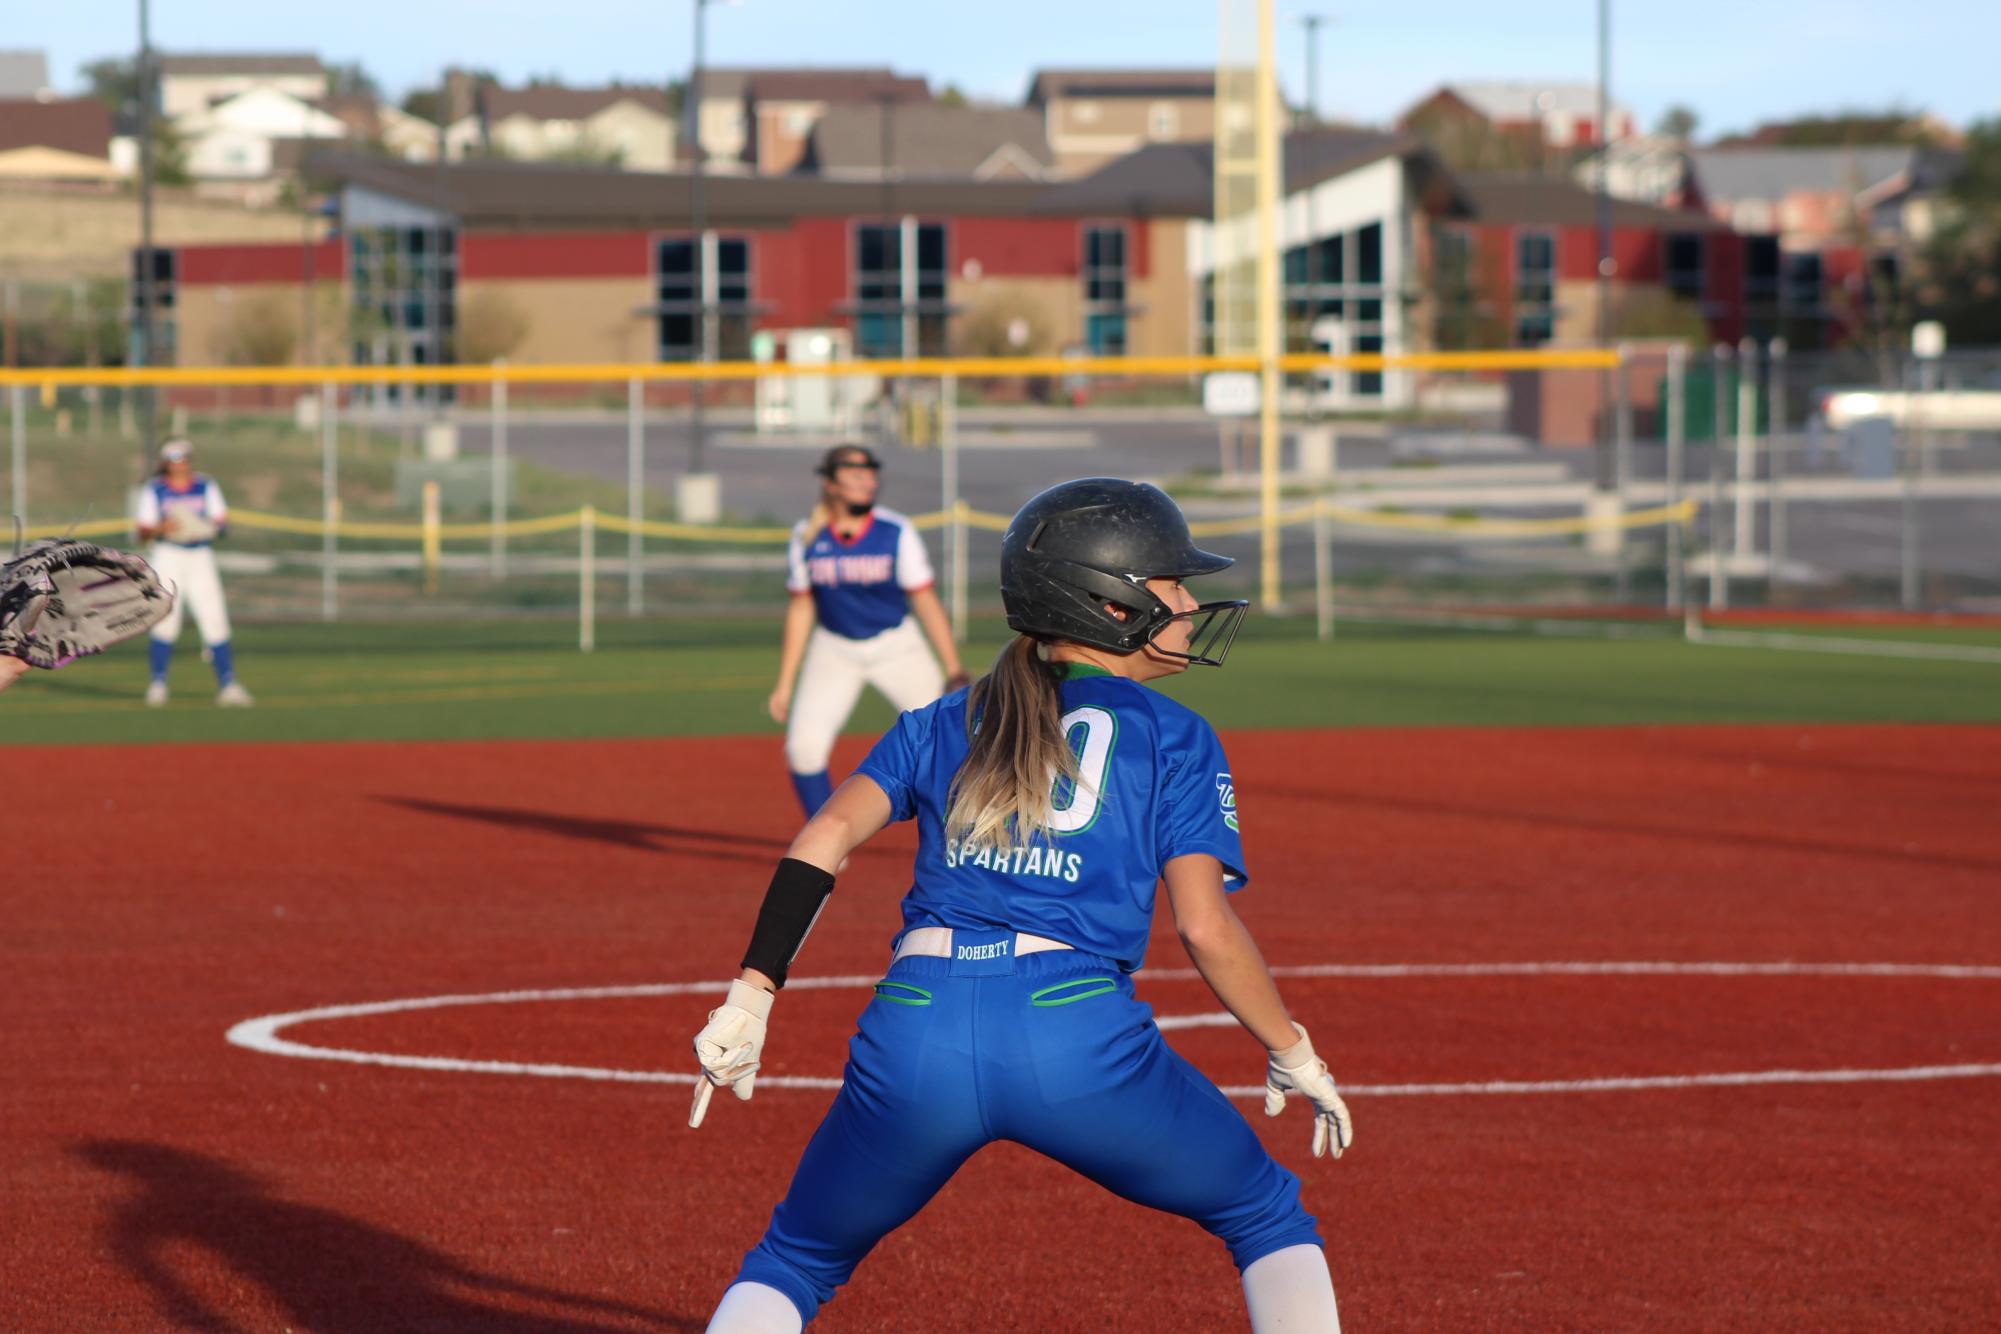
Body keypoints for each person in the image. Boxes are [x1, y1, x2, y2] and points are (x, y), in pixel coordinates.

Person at [692, 478, 1355, 1333]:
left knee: (794, 1259)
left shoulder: (943, 718)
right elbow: (1203, 926)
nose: (1190, 601)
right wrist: (1290, 1050)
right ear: (1110, 605)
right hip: (1072, 1030)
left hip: (914, 1025)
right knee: (1267, 1217)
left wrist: (751, 995)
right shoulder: (1174, 733)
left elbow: (821, 836)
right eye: (1171, 583)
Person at [771, 444, 966, 817]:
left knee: (947, 741)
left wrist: (953, 667)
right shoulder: (808, 536)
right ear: (831, 483)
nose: (868, 482)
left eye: (871, 474)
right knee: (803, 749)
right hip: (834, 649)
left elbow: (924, 599)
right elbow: (801, 608)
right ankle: (823, 844)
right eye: (855, 474)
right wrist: (785, 682)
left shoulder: (894, 530)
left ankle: (969, 834)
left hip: (898, 646)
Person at [135, 439, 252, 707]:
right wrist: (162, 528)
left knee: (214, 617)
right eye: (175, 459)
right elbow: (143, 531)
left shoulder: (204, 485)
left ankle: (228, 684)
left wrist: (201, 527)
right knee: (166, 619)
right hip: (168, 555)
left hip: (200, 554)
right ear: (166, 462)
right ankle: (158, 683)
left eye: (184, 458)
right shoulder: (156, 490)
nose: (181, 464)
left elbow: (221, 523)